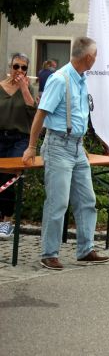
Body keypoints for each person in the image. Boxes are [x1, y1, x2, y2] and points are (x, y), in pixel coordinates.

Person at [22, 37, 109, 270]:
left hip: (76, 147)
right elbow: (41, 114)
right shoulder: (60, 79)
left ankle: (85, 249)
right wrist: (31, 146)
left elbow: (78, 116)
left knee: (87, 200)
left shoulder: (81, 79)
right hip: (58, 146)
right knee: (57, 202)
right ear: (88, 57)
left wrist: (81, 142)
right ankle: (49, 253)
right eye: (95, 55)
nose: (96, 59)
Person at [0, 53, 37, 238]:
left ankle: (7, 221)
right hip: (1, 137)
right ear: (10, 67)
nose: (20, 71)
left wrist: (24, 88)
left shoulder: (29, 89)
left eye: (24, 67)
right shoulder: (1, 87)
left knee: (9, 177)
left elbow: (34, 112)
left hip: (19, 138)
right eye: (16, 66)